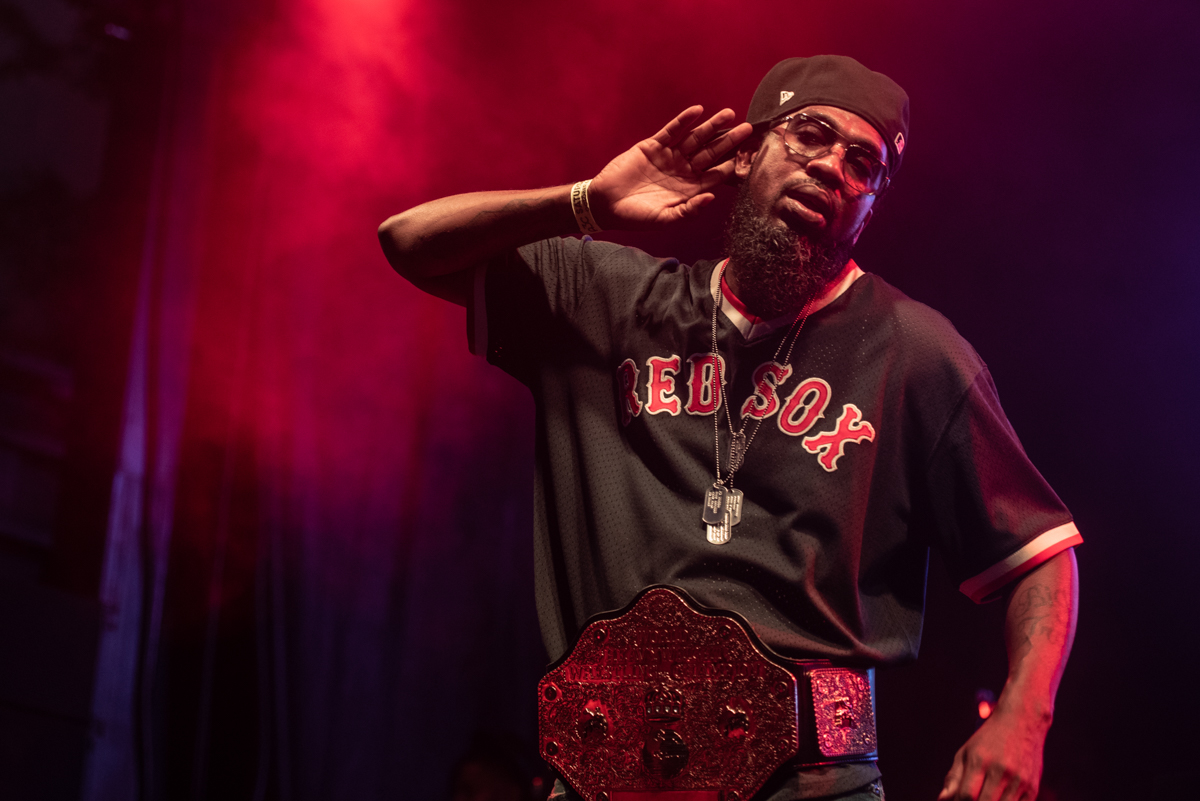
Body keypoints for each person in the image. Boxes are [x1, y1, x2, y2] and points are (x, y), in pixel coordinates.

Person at [378, 56, 1080, 801]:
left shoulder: (916, 351)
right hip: (603, 779)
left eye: (863, 165)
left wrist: (1024, 717)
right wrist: (588, 202)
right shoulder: (607, 299)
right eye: (811, 134)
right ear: (747, 154)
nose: (832, 168)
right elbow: (407, 240)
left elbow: (1040, 554)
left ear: (870, 208)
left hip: (810, 785)